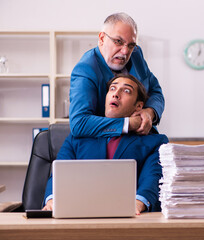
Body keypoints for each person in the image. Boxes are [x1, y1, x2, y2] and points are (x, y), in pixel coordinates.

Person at [43, 74, 168, 214]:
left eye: (126, 91)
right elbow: (59, 175)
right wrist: (52, 200)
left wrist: (139, 203)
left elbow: (151, 178)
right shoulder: (78, 137)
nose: (116, 94)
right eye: (112, 89)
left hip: (129, 218)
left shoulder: (155, 142)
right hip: (80, 214)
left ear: (139, 106)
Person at [69, 12, 164, 138]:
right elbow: (79, 123)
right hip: (107, 148)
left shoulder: (136, 55)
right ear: (102, 39)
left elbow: (155, 91)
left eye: (131, 45)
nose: (125, 51)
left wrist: (149, 112)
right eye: (118, 41)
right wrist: (128, 124)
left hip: (145, 142)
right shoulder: (85, 70)